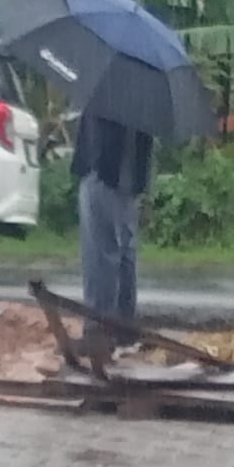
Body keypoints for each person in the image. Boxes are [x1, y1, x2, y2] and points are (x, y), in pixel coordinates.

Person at [71, 112, 153, 346]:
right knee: (124, 248)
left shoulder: (108, 95)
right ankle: (123, 327)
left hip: (105, 168)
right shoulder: (143, 96)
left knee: (100, 251)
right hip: (130, 173)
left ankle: (99, 330)